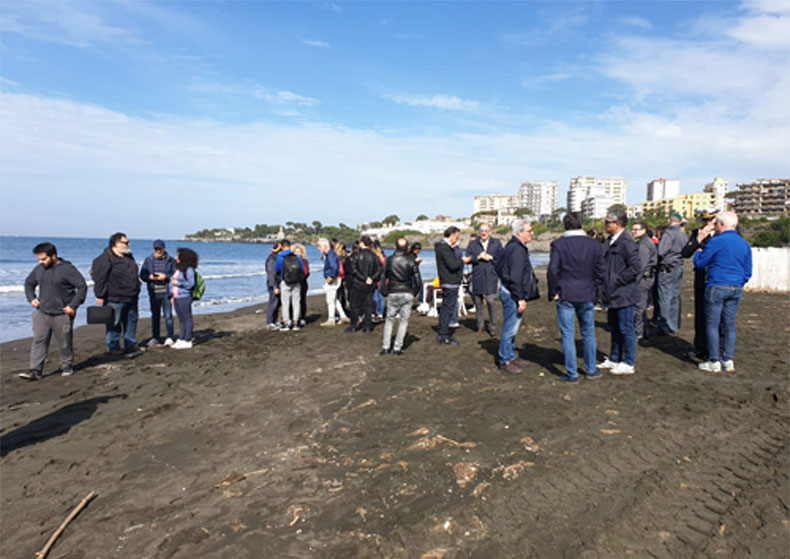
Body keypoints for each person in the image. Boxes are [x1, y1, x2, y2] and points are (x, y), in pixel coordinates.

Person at [547, 212, 605, 382]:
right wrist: (596, 289)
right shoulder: (594, 245)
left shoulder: (558, 244)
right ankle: (591, 369)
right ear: (581, 224)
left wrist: (553, 291)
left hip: (566, 292)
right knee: (588, 332)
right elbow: (601, 270)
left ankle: (572, 373)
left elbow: (552, 270)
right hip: (587, 292)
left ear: (565, 225)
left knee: (568, 334)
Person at [693, 212, 752, 373]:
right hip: (736, 286)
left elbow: (701, 263)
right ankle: (727, 359)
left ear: (722, 225)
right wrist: (740, 281)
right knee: (729, 324)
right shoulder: (744, 244)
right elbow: (748, 270)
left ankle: (714, 360)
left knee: (712, 324)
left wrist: (698, 250)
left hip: (717, 284)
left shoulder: (717, 241)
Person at [20, 242, 87, 380]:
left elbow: (82, 287)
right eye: (39, 259)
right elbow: (29, 283)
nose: (41, 262)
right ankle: (35, 371)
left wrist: (73, 306)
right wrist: (31, 298)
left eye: (43, 259)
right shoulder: (39, 269)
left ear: (53, 256)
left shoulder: (68, 269)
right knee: (39, 341)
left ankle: (67, 366)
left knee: (64, 342)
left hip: (62, 313)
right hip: (42, 312)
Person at [598, 209, 641, 375]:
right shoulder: (610, 241)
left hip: (624, 293)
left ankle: (628, 361)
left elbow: (636, 267)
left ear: (617, 224)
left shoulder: (626, 242)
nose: (605, 224)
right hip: (612, 293)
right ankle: (614, 357)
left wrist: (617, 280)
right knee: (615, 327)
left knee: (626, 328)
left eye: (607, 221)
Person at [91, 232, 141, 354]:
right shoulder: (105, 258)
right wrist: (100, 295)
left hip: (131, 296)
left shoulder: (129, 256)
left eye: (128, 242)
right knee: (114, 324)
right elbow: (99, 277)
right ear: (116, 244)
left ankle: (131, 345)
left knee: (131, 323)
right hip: (114, 298)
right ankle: (114, 348)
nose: (128, 244)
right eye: (126, 242)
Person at [495, 220, 535, 373]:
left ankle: (510, 355)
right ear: (520, 232)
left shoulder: (511, 247)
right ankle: (505, 360)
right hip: (512, 294)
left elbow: (498, 266)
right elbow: (515, 276)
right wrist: (520, 298)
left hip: (509, 291)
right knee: (510, 328)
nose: (532, 233)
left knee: (512, 327)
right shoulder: (516, 249)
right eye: (529, 230)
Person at [681, 209, 718, 359]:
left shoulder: (725, 233)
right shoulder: (698, 232)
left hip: (716, 277)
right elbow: (685, 252)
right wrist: (699, 238)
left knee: (716, 317)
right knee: (700, 314)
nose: (706, 224)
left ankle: (715, 350)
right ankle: (700, 347)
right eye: (704, 221)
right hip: (701, 277)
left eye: (709, 221)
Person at [380, 237, 422, 356]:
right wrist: (415, 291)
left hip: (393, 291)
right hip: (407, 291)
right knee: (403, 321)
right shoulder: (410, 260)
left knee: (389, 320)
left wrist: (384, 291)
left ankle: (386, 347)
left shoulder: (389, 260)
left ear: (395, 247)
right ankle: (397, 348)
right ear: (407, 248)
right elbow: (418, 279)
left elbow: (384, 277)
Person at [435, 226, 471, 345]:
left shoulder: (441, 247)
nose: (457, 239)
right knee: (448, 308)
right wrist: (462, 260)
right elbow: (452, 265)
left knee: (446, 308)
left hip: (447, 280)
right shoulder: (445, 248)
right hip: (450, 281)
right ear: (452, 235)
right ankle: (444, 335)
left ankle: (442, 333)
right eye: (457, 237)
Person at [466, 223, 503, 336]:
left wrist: (491, 258)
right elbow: (467, 258)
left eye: (486, 230)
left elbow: (502, 258)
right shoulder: (473, 244)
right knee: (478, 303)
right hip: (477, 276)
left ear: (490, 231)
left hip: (491, 276)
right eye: (481, 230)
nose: (483, 233)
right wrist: (478, 258)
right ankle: (480, 326)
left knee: (491, 301)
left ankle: (493, 327)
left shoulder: (496, 243)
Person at [140, 239, 176, 346]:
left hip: (166, 292)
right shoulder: (148, 260)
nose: (158, 251)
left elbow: (176, 275)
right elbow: (142, 275)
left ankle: (169, 336)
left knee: (168, 315)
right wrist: (149, 277)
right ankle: (155, 337)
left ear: (164, 248)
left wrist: (166, 277)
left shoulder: (171, 261)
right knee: (155, 315)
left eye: (160, 249)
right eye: (156, 249)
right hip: (153, 292)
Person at [655, 213, 687, 335]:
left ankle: (663, 326)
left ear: (670, 221)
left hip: (667, 267)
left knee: (664, 297)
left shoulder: (669, 234)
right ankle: (673, 326)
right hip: (678, 267)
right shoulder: (683, 234)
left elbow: (661, 251)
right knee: (674, 296)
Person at [345, 236, 382, 333]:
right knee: (368, 305)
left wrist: (364, 278)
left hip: (358, 284)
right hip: (370, 284)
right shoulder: (375, 256)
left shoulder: (356, 256)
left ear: (362, 243)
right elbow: (380, 270)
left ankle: (353, 326)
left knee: (355, 305)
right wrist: (372, 278)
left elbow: (354, 270)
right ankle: (367, 326)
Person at [631, 221, 657, 340]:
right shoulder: (644, 242)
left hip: (643, 279)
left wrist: (634, 282)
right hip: (647, 277)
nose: (633, 231)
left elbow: (641, 266)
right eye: (633, 229)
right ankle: (645, 330)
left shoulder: (643, 245)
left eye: (636, 229)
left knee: (639, 307)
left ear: (644, 230)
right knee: (641, 306)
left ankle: (639, 332)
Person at [274, 240, 305, 331]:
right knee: (296, 302)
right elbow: (302, 269)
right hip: (296, 282)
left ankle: (287, 323)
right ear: (290, 246)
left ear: (282, 247)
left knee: (285, 303)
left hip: (285, 281)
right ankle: (296, 323)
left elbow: (277, 269)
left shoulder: (280, 256)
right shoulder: (296, 257)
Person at [170, 248, 198, 349]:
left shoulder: (189, 269)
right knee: (181, 319)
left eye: (178, 256)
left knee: (187, 318)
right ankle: (181, 338)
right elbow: (171, 282)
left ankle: (187, 339)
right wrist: (171, 295)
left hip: (185, 296)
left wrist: (178, 283)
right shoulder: (178, 268)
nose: (176, 258)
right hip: (177, 296)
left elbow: (191, 284)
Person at [317, 238, 349, 326]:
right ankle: (343, 316)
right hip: (336, 278)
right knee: (334, 298)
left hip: (334, 279)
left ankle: (331, 319)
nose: (318, 248)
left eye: (319, 246)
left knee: (330, 300)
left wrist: (331, 276)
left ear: (325, 246)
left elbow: (334, 267)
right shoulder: (330, 254)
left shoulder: (330, 254)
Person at [265, 243, 284, 331]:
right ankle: (270, 322)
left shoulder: (277, 258)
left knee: (278, 303)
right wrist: (275, 286)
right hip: (274, 284)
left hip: (278, 283)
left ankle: (275, 320)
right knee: (273, 303)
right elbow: (271, 275)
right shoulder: (272, 260)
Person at [291, 243, 310, 327]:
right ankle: (293, 318)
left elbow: (306, 272)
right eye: (295, 252)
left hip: (302, 283)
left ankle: (302, 318)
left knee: (302, 301)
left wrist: (298, 277)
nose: (297, 253)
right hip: (292, 284)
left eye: (299, 252)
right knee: (292, 302)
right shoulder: (290, 261)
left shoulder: (304, 261)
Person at [371, 240, 387, 322]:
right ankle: (380, 313)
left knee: (376, 296)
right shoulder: (384, 256)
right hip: (384, 279)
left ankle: (376, 312)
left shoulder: (376, 257)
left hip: (377, 279)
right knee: (381, 297)